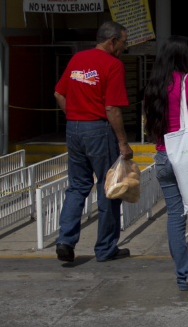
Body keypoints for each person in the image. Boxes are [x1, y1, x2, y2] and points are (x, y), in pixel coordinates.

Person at [53, 21, 133, 263]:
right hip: (99, 129)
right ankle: (106, 248)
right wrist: (123, 143)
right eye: (123, 42)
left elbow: (59, 93)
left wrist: (75, 116)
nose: (124, 47)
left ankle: (65, 241)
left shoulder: (77, 59)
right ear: (112, 41)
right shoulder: (113, 65)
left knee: (77, 186)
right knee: (109, 188)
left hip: (74, 128)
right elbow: (112, 108)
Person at [143, 36, 188, 292]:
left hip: (164, 157)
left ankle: (182, 275)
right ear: (181, 57)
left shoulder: (155, 85)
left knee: (175, 216)